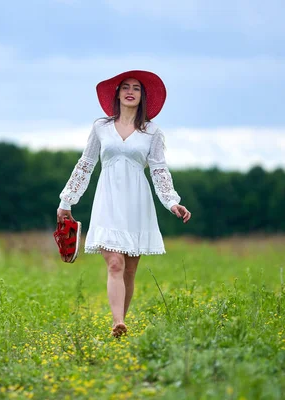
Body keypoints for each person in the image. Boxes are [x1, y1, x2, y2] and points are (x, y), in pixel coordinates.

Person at [56, 70, 191, 338]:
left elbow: (159, 170)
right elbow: (86, 164)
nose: (130, 91)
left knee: (130, 268)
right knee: (115, 263)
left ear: (143, 97)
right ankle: (117, 321)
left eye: (136, 88)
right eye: (125, 87)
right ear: (117, 93)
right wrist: (66, 200)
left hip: (137, 201)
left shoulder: (152, 132)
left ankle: (121, 324)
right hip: (108, 200)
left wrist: (172, 202)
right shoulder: (101, 128)